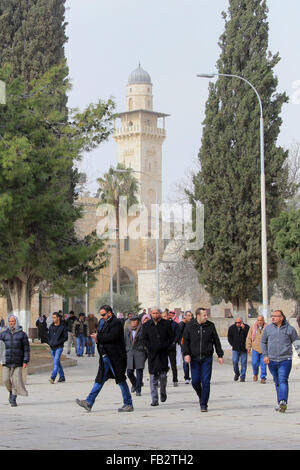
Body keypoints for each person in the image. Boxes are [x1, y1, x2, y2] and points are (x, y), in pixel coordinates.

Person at [75, 304, 133, 413]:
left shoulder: (116, 323)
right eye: (101, 315)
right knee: (100, 379)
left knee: (120, 379)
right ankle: (89, 402)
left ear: (109, 313)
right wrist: (98, 338)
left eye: (104, 315)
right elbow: (102, 335)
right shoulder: (103, 322)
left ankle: (128, 403)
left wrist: (98, 338)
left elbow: (112, 337)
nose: (102, 317)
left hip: (115, 357)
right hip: (105, 356)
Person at [183, 307, 223, 412]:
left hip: (207, 358)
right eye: (204, 315)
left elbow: (216, 341)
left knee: (205, 381)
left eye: (206, 315)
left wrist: (220, 355)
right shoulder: (190, 326)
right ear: (198, 316)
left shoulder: (210, 326)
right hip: (194, 358)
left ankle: (204, 404)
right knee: (195, 381)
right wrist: (186, 354)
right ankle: (201, 396)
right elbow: (185, 342)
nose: (206, 317)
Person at [261, 309, 300, 413]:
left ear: (281, 318)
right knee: (277, 381)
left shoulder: (290, 329)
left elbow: (296, 343)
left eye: (275, 316)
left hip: (285, 359)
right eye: (272, 315)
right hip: (271, 360)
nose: (273, 317)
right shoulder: (268, 329)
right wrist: (265, 355)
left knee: (283, 379)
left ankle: (283, 401)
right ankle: (280, 403)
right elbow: (263, 342)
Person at [142, 307, 173, 407]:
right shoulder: (147, 325)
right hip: (152, 354)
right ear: (151, 314)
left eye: (157, 313)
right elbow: (144, 339)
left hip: (163, 353)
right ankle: (154, 399)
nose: (155, 315)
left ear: (160, 314)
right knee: (153, 376)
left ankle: (163, 391)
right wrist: (149, 347)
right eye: (153, 313)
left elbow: (170, 337)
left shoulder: (166, 324)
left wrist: (165, 346)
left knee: (163, 376)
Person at [0, 315, 30, 407]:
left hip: (18, 361)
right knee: (5, 379)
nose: (11, 323)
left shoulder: (22, 334)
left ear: (16, 322)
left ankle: (13, 398)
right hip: (6, 360)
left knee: (16, 380)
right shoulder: (4, 334)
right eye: (10, 321)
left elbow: (26, 349)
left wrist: (25, 361)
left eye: (13, 321)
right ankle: (10, 391)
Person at [124, 315, 146, 396]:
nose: (133, 322)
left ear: (138, 321)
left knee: (139, 372)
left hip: (140, 353)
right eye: (132, 321)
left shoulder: (142, 329)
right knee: (129, 372)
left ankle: (138, 390)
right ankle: (135, 383)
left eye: (135, 321)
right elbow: (124, 341)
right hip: (130, 353)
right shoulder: (127, 330)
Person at [48, 312, 68, 384]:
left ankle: (53, 377)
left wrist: (59, 342)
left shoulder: (62, 327)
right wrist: (49, 343)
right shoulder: (51, 327)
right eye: (52, 317)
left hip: (59, 347)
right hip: (52, 347)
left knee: (55, 362)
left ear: (58, 318)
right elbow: (49, 336)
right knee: (57, 362)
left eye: (54, 317)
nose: (53, 319)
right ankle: (62, 377)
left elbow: (65, 337)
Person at [161, 310, 180, 387]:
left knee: (173, 364)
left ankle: (175, 379)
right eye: (163, 317)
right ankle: (163, 379)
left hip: (171, 347)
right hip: (163, 347)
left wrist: (174, 343)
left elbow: (177, 335)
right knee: (163, 364)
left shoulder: (174, 324)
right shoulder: (160, 325)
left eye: (165, 316)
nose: (164, 318)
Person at [246, 315, 267, 383]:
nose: (259, 322)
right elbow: (249, 337)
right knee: (254, 363)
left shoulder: (267, 328)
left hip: (264, 349)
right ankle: (255, 374)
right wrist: (248, 347)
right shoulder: (253, 328)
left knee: (263, 364)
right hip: (255, 348)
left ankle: (263, 377)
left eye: (261, 320)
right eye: (258, 320)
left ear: (263, 321)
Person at [227, 317, 250, 382]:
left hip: (243, 348)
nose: (237, 324)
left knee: (243, 363)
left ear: (242, 322)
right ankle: (237, 373)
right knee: (234, 361)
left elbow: (249, 336)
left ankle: (243, 377)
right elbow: (229, 337)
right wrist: (233, 344)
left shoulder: (247, 327)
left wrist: (244, 329)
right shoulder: (232, 328)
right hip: (235, 348)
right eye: (236, 323)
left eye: (239, 323)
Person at [178, 311, 194, 383]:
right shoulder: (181, 325)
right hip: (184, 346)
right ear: (185, 316)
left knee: (193, 361)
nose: (190, 317)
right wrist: (181, 344)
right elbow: (179, 335)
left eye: (191, 315)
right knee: (186, 362)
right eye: (189, 315)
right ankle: (187, 377)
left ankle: (194, 376)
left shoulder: (193, 324)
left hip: (193, 345)